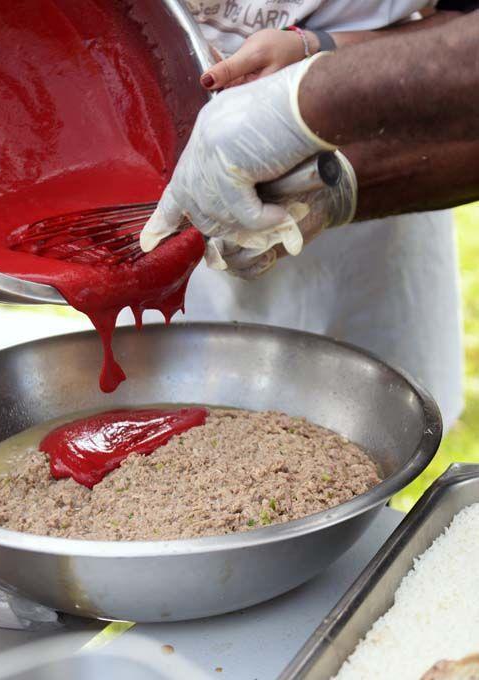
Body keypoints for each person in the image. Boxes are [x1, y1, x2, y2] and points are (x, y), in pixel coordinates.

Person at [137, 2, 479, 429]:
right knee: (171, 431)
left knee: (368, 434)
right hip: (166, 205)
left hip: (380, 182)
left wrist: (313, 66)